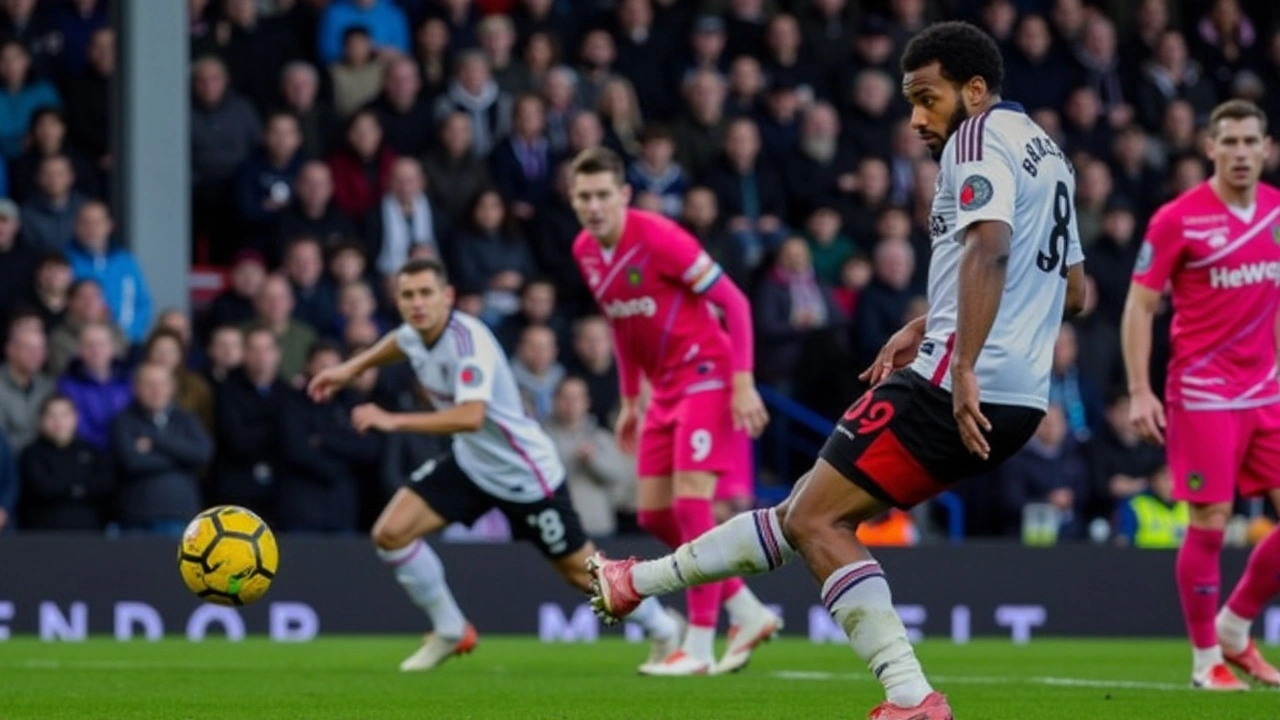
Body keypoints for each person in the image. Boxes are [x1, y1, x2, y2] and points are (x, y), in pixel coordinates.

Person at [586, 22, 1085, 719]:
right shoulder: (1048, 152)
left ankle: (910, 696)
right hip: (1019, 398)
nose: (916, 118)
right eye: (911, 101)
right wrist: (930, 325)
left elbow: (991, 249)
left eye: (927, 98)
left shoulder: (976, 139)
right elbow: (1077, 288)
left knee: (815, 521)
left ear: (974, 91)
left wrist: (962, 358)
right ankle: (635, 579)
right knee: (804, 513)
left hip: (954, 385)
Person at [306, 258, 680, 673]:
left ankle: (664, 628)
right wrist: (348, 369)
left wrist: (393, 420)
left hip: (525, 475)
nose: (417, 303)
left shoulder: (469, 343)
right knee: (390, 534)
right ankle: (450, 629)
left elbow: (470, 416)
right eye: (408, 295)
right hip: (472, 465)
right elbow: (399, 341)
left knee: (582, 574)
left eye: (426, 293)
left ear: (447, 297)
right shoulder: (416, 333)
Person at [569, 146, 777, 676]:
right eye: (582, 196)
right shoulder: (585, 252)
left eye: (601, 195)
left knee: (691, 505)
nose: (592, 206)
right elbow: (622, 326)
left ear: (623, 195)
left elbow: (735, 302)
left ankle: (700, 645)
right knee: (654, 514)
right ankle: (747, 611)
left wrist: (743, 382)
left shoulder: (660, 238)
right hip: (660, 391)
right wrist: (631, 398)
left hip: (707, 374)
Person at [1121, 99, 1280, 690]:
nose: (1241, 152)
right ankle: (1205, 658)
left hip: (1265, 392)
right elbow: (1139, 306)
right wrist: (1140, 390)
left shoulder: (1276, 211)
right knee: (1211, 518)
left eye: (1250, 141)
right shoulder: (1177, 219)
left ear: (1266, 149)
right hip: (1203, 394)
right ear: (1209, 148)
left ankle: (1236, 627)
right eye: (1229, 142)